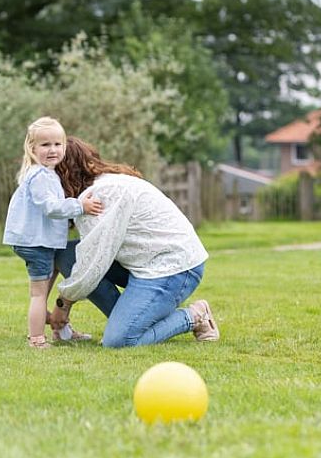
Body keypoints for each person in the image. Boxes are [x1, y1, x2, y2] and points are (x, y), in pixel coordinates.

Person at [49, 137, 219, 348]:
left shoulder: (98, 194)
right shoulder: (101, 184)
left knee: (118, 341)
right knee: (66, 254)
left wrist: (62, 304)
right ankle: (131, 321)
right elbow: (86, 257)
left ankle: (194, 316)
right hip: (143, 264)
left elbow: (93, 264)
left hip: (172, 269)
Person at [3, 118, 103, 349]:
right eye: (45, 145)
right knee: (38, 295)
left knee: (44, 291)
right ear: (32, 148)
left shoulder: (46, 173)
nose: (53, 150)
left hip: (40, 241)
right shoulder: (39, 176)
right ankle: (37, 339)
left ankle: (61, 330)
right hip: (35, 243)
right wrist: (80, 206)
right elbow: (51, 207)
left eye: (58, 144)